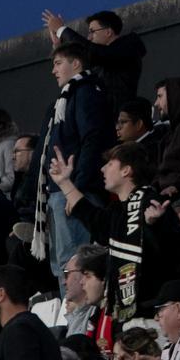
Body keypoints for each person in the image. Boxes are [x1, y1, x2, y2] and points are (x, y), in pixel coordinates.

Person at [50, 142, 180, 322]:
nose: (103, 169)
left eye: (110, 164)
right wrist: (64, 182)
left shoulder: (152, 203)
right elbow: (94, 219)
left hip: (154, 315)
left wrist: (157, 225)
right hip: (130, 315)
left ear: (126, 170)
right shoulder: (119, 211)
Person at [33, 42, 115, 283]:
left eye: (58, 63)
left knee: (75, 262)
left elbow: (93, 139)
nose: (53, 70)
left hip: (75, 193)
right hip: (62, 191)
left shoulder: (85, 92)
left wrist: (75, 190)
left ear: (76, 64)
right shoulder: (69, 96)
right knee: (63, 264)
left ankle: (79, 318)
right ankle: (71, 316)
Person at [44, 8, 147, 116]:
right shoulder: (99, 59)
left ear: (108, 32)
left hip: (117, 122)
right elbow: (75, 69)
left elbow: (94, 52)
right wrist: (59, 46)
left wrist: (61, 30)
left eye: (92, 31)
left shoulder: (128, 46)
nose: (89, 37)